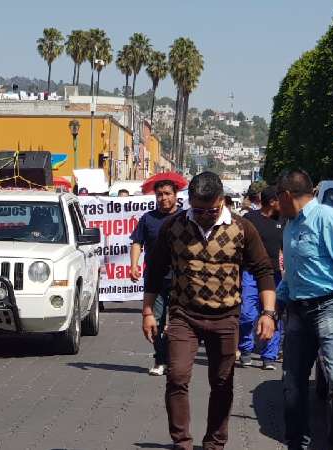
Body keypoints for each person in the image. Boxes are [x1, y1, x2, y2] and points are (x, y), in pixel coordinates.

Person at [142, 171, 276, 450]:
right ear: (189, 201)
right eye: (198, 209)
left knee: (222, 382)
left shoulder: (241, 228)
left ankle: (215, 442)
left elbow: (264, 270)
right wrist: (147, 312)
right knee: (176, 376)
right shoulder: (173, 227)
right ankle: (182, 442)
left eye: (211, 210)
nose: (204, 215)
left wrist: (268, 313)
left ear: (222, 201)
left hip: (226, 317)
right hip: (183, 316)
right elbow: (154, 272)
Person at [275, 168, 333, 449]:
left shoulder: (327, 219)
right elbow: (292, 272)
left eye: (278, 198)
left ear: (287, 195)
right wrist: (276, 303)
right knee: (292, 384)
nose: (276, 204)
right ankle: (297, 443)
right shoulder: (290, 225)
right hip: (297, 311)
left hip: (329, 308)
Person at [130, 179, 180, 376]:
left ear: (175, 194)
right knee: (155, 320)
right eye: (159, 194)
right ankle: (160, 360)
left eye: (167, 193)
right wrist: (134, 265)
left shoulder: (184, 218)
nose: (163, 198)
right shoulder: (147, 218)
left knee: (178, 322)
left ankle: (175, 360)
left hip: (180, 279)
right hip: (155, 280)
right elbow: (137, 242)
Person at [238, 186, 284, 370]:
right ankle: (246, 349)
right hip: (251, 273)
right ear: (272, 201)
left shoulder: (283, 220)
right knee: (247, 314)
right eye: (280, 199)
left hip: (275, 276)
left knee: (273, 315)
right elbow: (239, 248)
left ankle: (269, 356)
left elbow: (287, 246)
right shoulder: (250, 220)